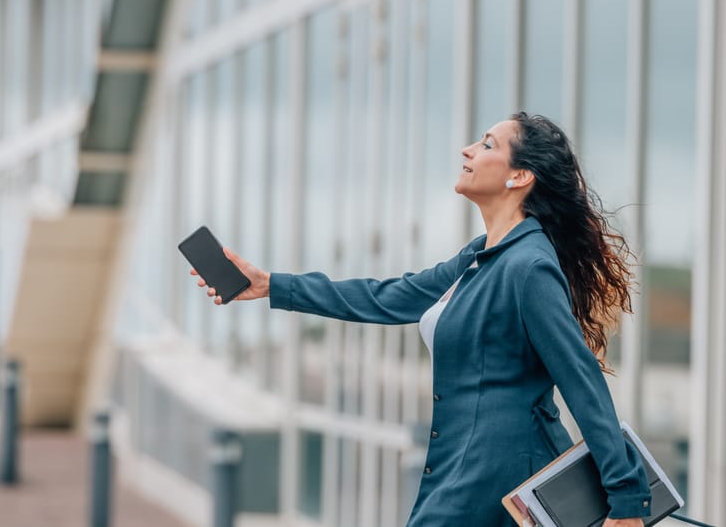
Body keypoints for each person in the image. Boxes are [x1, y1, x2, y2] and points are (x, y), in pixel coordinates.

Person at [191, 112, 651, 526]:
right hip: (464, 476)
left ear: (520, 176)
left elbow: (580, 377)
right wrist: (272, 284)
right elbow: (385, 297)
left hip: (499, 483)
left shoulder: (527, 266)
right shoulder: (479, 259)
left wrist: (627, 500)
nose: (468, 150)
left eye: (487, 144)